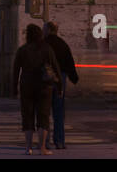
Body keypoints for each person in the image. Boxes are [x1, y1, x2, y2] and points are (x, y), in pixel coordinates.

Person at [13, 23, 62, 155]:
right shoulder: (47, 49)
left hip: (26, 86)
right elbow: (55, 67)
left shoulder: (22, 50)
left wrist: (13, 88)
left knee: (27, 116)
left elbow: (16, 70)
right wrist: (59, 86)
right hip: (44, 87)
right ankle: (42, 148)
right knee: (43, 117)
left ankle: (28, 147)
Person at [43, 21, 79, 150]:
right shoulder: (62, 44)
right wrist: (74, 77)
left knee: (45, 111)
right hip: (60, 80)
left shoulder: (43, 44)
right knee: (59, 111)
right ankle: (59, 141)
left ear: (48, 30)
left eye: (44, 29)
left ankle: (45, 142)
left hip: (45, 80)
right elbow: (69, 62)